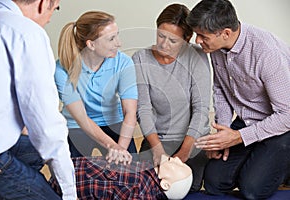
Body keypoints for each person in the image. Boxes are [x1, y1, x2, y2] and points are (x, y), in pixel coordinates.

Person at [187, 0, 290, 199]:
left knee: (252, 190)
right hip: (247, 121)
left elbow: (287, 115)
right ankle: (260, 158)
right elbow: (220, 89)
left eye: (202, 36)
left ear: (225, 32)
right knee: (214, 184)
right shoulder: (216, 48)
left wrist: (238, 137)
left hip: (282, 125)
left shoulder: (267, 53)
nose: (197, 41)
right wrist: (223, 132)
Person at [0, 0, 77, 199]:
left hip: (0, 138)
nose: (49, 20)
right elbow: (48, 128)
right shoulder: (25, 32)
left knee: (33, 151)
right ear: (43, 3)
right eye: (54, 10)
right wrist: (69, 193)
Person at [132, 3, 211, 192]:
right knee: (146, 187)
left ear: (187, 38)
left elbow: (201, 108)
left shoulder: (196, 55)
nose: (164, 45)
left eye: (173, 41)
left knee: (185, 189)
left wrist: (183, 154)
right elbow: (143, 108)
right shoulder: (140, 58)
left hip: (193, 140)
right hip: (157, 139)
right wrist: (157, 149)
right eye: (161, 36)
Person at [54, 11, 138, 164]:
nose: (119, 43)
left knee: (130, 170)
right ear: (91, 44)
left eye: (117, 35)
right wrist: (111, 145)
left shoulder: (124, 63)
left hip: (113, 121)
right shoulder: (62, 69)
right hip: (77, 125)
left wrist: (121, 148)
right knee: (72, 173)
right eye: (111, 39)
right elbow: (81, 118)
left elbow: (130, 112)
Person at [50, 154, 193, 200]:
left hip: (64, 184)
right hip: (67, 167)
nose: (175, 158)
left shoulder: (140, 192)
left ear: (165, 184)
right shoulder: (148, 170)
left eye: (177, 166)